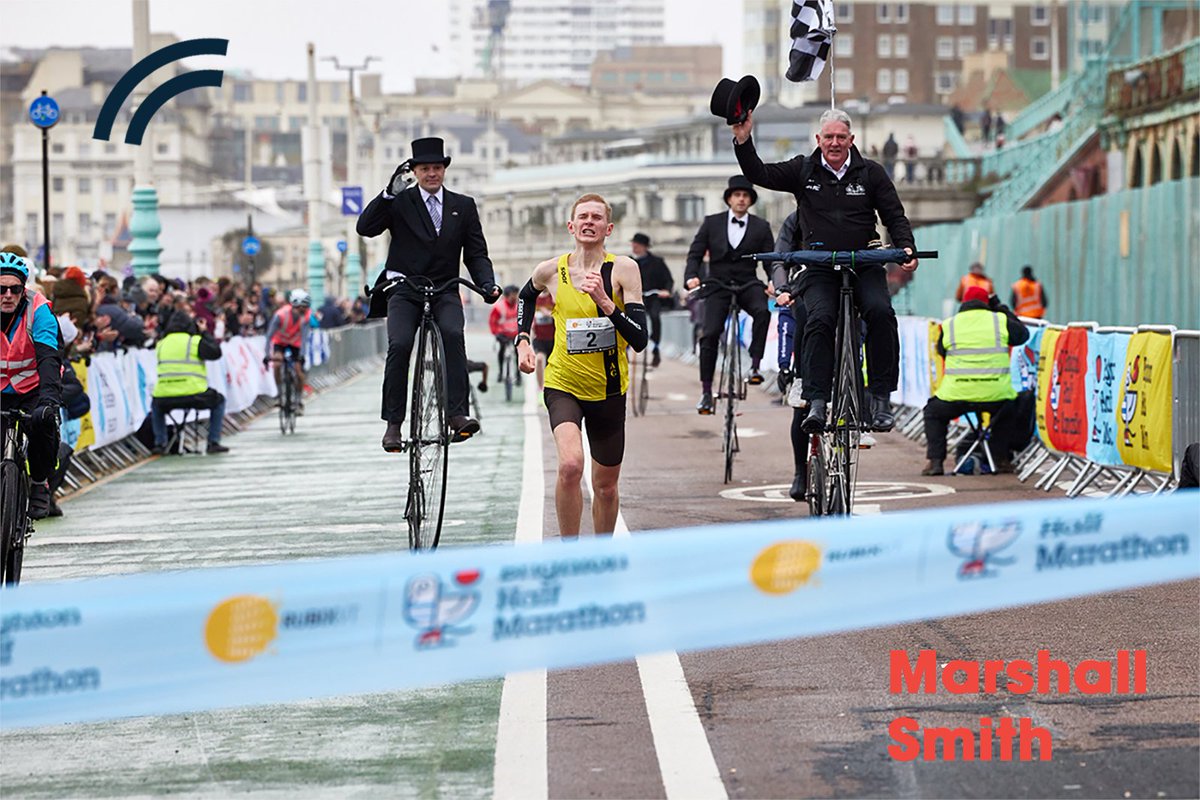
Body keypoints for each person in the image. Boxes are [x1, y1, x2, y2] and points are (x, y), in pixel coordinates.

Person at [732, 107, 918, 434]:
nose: (834, 143)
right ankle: (817, 400)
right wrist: (743, 139)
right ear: (818, 139)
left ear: (851, 140)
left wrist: (906, 248)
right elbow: (760, 173)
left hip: (864, 261)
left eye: (841, 137)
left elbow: (894, 216)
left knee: (880, 312)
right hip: (820, 265)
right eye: (828, 137)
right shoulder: (803, 169)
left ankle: (880, 398)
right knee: (818, 319)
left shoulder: (871, 173)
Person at [513, 193, 648, 537]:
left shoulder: (624, 269)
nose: (589, 222)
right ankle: (571, 553)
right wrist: (523, 339)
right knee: (571, 466)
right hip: (563, 384)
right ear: (571, 226)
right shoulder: (550, 270)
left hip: (608, 388)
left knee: (604, 487)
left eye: (596, 217)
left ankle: (600, 555)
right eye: (582, 217)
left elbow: (640, 339)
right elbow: (525, 297)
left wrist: (605, 301)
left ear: (609, 228)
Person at [357, 136, 501, 452]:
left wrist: (487, 284)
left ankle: (457, 414)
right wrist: (387, 193)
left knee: (452, 334)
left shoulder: (463, 206)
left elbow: (476, 253)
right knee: (400, 344)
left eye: (437, 167)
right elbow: (365, 228)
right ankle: (393, 425)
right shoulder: (400, 201)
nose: (432, 174)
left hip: (444, 288)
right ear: (415, 171)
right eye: (425, 169)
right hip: (405, 288)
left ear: (444, 169)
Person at [684, 175, 775, 415]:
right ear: (729, 199)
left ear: (750, 200)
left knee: (763, 312)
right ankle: (705, 392)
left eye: (745, 196)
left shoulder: (761, 226)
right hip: (717, 284)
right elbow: (694, 254)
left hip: (748, 283)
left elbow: (769, 260)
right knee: (710, 333)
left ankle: (755, 367)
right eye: (737, 195)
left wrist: (775, 281)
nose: (741, 199)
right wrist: (691, 276)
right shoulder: (711, 223)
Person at [921, 286, 1029, 475]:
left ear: (963, 303)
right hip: (996, 396)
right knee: (1012, 410)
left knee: (933, 412)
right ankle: (1000, 459)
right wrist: (1002, 308)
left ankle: (935, 462)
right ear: (988, 304)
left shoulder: (949, 325)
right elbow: (1023, 335)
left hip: (956, 395)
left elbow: (941, 351)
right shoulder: (1000, 320)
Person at [0, 251, 63, 519]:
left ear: (23, 289)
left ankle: (39, 483)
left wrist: (49, 400)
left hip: (33, 388)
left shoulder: (39, 310)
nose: (8, 295)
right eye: (1, 289)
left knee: (42, 424)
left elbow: (48, 357)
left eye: (15, 289)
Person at [150, 309, 230, 455]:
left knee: (156, 407)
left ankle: (160, 443)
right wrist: (204, 332)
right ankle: (213, 441)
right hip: (194, 394)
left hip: (165, 396)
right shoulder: (194, 342)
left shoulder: (161, 344)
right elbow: (215, 353)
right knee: (219, 401)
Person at [264, 289, 315, 414]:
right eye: (299, 308)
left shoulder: (306, 317)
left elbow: (304, 338)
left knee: (298, 370)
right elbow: (269, 336)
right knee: (277, 364)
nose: (302, 311)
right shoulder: (280, 315)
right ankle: (279, 394)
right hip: (280, 341)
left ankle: (298, 400)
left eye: (304, 308)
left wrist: (301, 356)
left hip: (296, 343)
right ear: (293, 306)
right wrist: (266, 355)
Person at [630, 232, 674, 367]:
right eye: (633, 244)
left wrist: (666, 291)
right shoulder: (628, 262)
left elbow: (668, 280)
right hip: (634, 297)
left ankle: (655, 349)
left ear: (645, 247)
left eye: (637, 245)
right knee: (627, 319)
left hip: (653, 296)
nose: (634, 247)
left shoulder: (657, 262)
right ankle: (626, 348)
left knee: (655, 317)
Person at [488, 284, 520, 376]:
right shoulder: (499, 307)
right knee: (501, 350)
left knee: (518, 352)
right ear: (507, 295)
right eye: (513, 294)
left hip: (515, 334)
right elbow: (492, 322)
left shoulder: (519, 305)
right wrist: (496, 333)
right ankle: (501, 372)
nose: (515, 297)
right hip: (503, 334)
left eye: (516, 294)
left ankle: (518, 374)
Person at [531, 289, 555, 391]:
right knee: (539, 360)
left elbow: (562, 314)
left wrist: (549, 314)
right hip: (539, 337)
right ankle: (540, 388)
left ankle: (552, 388)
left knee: (551, 365)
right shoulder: (533, 297)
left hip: (553, 337)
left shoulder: (553, 296)